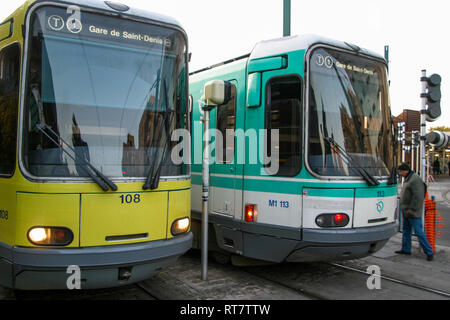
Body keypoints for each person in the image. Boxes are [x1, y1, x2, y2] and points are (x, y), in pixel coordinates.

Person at [396, 162, 434, 261]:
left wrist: (412, 209)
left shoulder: (414, 179)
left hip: (412, 212)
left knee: (419, 232)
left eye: (400, 171)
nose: (400, 173)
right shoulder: (409, 178)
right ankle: (406, 249)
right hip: (407, 211)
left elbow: (418, 196)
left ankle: (429, 252)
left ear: (405, 170)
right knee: (406, 231)